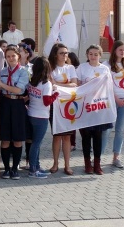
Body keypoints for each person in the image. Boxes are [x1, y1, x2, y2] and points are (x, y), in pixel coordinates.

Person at [76, 45, 112, 175]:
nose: (93, 56)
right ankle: (87, 164)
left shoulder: (105, 69)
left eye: (96, 54)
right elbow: (77, 84)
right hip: (85, 107)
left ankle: (97, 164)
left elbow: (108, 87)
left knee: (97, 136)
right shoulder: (82, 68)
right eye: (91, 54)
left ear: (100, 55)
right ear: (87, 55)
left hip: (99, 107)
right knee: (86, 136)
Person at [0, 45, 29, 179]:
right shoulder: (2, 71)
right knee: (5, 139)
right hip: (5, 103)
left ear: (18, 56)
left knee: (17, 139)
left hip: (18, 104)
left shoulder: (23, 71)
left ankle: (15, 168)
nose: (10, 58)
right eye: (8, 56)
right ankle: (6, 168)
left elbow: (18, 90)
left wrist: (1, 85)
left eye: (13, 56)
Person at [103, 40, 124, 168]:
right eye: (120, 49)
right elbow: (106, 85)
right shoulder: (107, 65)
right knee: (106, 130)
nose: (123, 52)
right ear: (115, 51)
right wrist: (116, 98)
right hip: (111, 101)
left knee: (120, 130)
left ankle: (116, 157)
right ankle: (98, 157)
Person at [48, 43, 78, 175]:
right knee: (57, 137)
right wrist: (63, 85)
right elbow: (49, 84)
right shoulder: (50, 68)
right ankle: (55, 163)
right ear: (55, 54)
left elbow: (74, 84)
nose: (65, 55)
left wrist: (58, 84)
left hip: (68, 104)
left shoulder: (70, 68)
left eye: (66, 53)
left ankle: (67, 165)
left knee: (67, 137)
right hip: (54, 105)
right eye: (61, 53)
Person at [27, 56, 56, 179]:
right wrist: (56, 94)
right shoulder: (46, 84)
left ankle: (36, 166)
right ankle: (33, 169)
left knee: (34, 142)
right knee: (36, 144)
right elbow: (46, 101)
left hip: (31, 114)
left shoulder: (32, 81)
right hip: (41, 116)